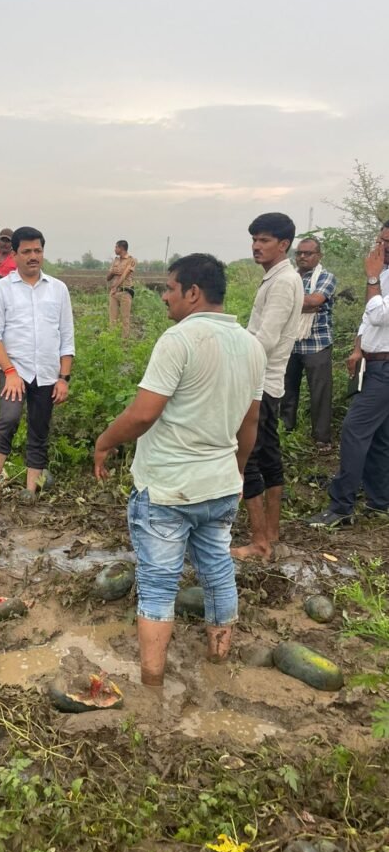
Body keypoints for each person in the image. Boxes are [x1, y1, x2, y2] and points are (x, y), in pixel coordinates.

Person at [94, 254, 265, 688]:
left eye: (170, 288)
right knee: (217, 573)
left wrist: (105, 442)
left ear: (193, 292)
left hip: (169, 489)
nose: (165, 296)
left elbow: (142, 414)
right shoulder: (251, 345)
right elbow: (250, 423)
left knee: (156, 586)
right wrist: (237, 470)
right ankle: (217, 663)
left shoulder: (179, 340)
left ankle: (151, 686)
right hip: (220, 486)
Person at [0, 226, 75, 509]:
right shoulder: (1, 289)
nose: (33, 257)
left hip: (47, 374)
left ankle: (30, 491)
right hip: (15, 371)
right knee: (8, 419)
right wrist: (10, 372)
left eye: (38, 251)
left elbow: (66, 337)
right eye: (27, 252)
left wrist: (64, 378)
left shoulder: (58, 289)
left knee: (39, 429)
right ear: (15, 254)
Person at [307, 224, 389, 527]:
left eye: (387, 242)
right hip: (375, 364)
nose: (380, 247)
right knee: (379, 437)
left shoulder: (377, 275)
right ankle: (380, 502)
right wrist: (359, 348)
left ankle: (341, 507)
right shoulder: (384, 274)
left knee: (354, 432)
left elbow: (380, 314)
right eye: (379, 240)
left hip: (385, 371)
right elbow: (368, 320)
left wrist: (370, 277)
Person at [232, 213, 303, 560]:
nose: (256, 246)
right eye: (254, 240)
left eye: (264, 240)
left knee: (251, 460)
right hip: (270, 383)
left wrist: (230, 355)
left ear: (283, 244)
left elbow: (266, 340)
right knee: (270, 457)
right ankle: (271, 535)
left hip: (260, 385)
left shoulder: (283, 282)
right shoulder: (279, 278)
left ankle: (259, 543)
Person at [280, 237, 337, 451]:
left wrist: (293, 303)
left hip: (317, 344)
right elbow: (281, 301)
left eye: (308, 253)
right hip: (290, 343)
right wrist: (305, 303)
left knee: (320, 392)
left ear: (318, 255)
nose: (302, 257)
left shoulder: (326, 277)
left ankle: (322, 438)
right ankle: (285, 431)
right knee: (286, 390)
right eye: (299, 253)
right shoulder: (289, 277)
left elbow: (314, 301)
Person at [106, 240, 137, 339]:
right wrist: (112, 272)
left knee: (125, 319)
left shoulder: (131, 260)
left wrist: (115, 287)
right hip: (114, 294)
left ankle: (124, 344)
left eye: (116, 247)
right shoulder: (115, 260)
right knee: (112, 319)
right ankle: (112, 341)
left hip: (125, 291)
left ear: (122, 248)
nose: (115, 249)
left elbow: (124, 275)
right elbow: (108, 278)